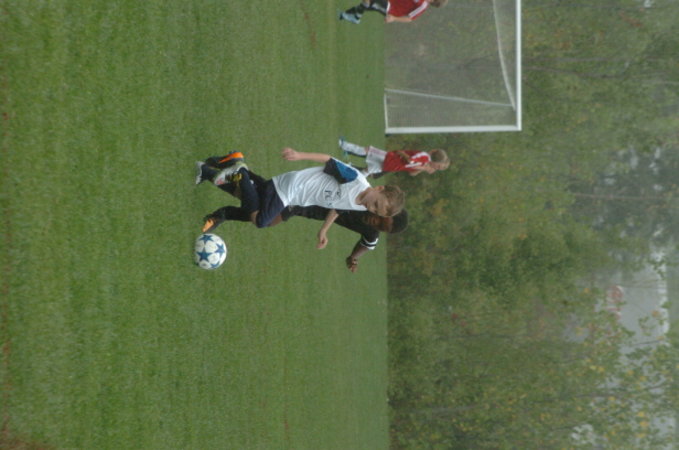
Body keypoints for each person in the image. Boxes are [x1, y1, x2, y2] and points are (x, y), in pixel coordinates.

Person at [196, 148, 405, 249]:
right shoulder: (355, 180)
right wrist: (300, 155)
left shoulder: (362, 206)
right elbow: (329, 160)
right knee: (260, 220)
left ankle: (206, 171)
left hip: (294, 197)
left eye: (375, 210)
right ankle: (240, 172)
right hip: (292, 188)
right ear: (379, 188)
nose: (371, 208)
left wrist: (324, 230)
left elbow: (339, 208)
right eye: (376, 203)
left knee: (248, 195)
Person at [339, 138, 450, 176]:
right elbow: (412, 173)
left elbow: (410, 161)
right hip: (391, 167)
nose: (436, 168)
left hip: (391, 159)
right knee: (367, 171)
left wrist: (401, 153)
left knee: (368, 150)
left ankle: (343, 145)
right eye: (438, 166)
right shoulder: (424, 163)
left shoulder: (424, 157)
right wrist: (424, 169)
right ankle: (345, 172)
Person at [339, 0, 448, 25]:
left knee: (370, 1)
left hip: (390, 9)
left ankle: (356, 17)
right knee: (367, 4)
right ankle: (354, 16)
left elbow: (410, 18)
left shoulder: (422, 5)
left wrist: (394, 18)